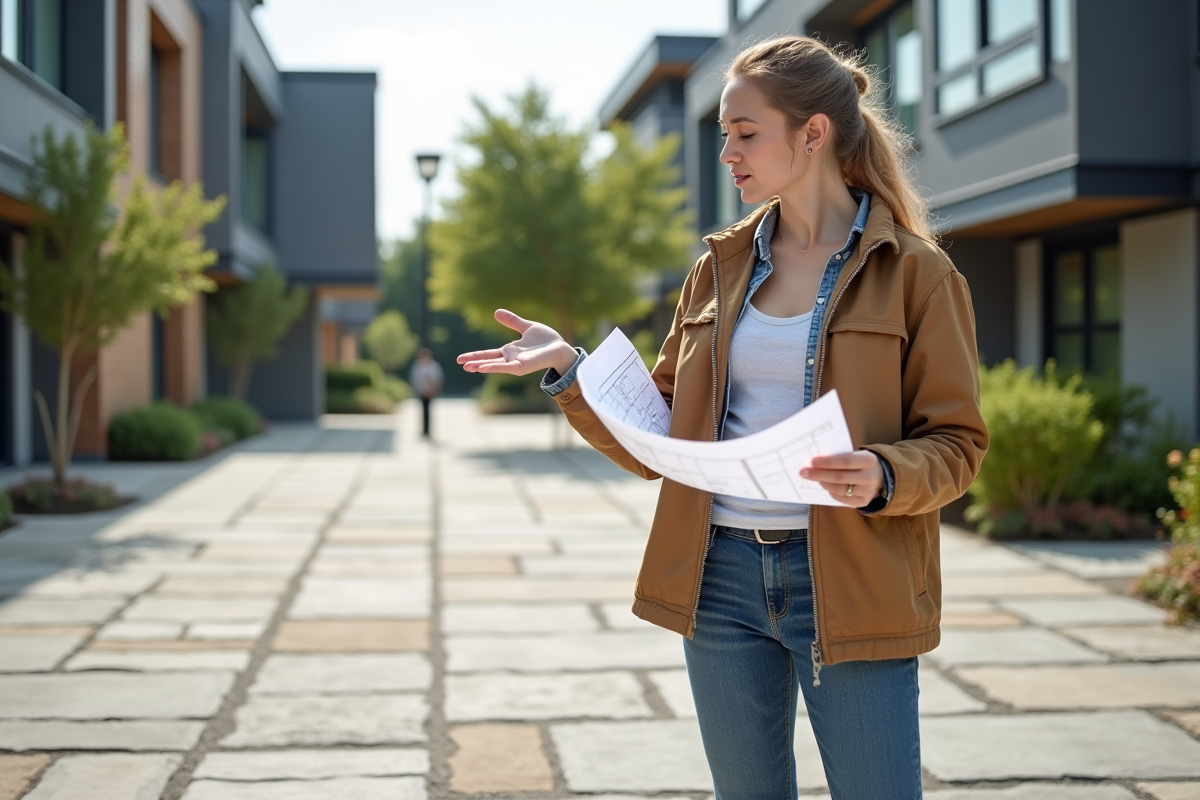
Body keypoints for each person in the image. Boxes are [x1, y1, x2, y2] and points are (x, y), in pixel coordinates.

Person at [458, 36, 987, 800]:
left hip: (853, 579)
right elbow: (660, 432)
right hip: (721, 579)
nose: (727, 154)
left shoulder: (917, 273)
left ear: (813, 134)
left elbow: (958, 443)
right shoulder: (718, 267)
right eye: (723, 136)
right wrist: (570, 370)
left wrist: (882, 473)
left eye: (746, 134)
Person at [408, 347, 443, 439]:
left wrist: (434, 389)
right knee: (422, 411)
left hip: (430, 391)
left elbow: (438, 379)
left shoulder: (433, 366)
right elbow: (414, 379)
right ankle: (424, 430)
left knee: (428, 411)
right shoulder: (417, 366)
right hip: (421, 391)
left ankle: (428, 430)